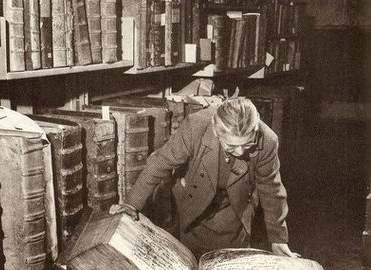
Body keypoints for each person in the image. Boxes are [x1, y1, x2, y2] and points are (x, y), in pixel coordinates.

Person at [110, 96, 299, 259]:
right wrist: (130, 204)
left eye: (247, 145)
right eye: (232, 146)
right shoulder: (196, 126)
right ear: (216, 132)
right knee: (187, 259)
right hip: (193, 202)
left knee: (230, 260)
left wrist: (278, 239)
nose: (241, 152)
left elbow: (271, 190)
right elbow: (159, 163)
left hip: (235, 207)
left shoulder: (268, 140)